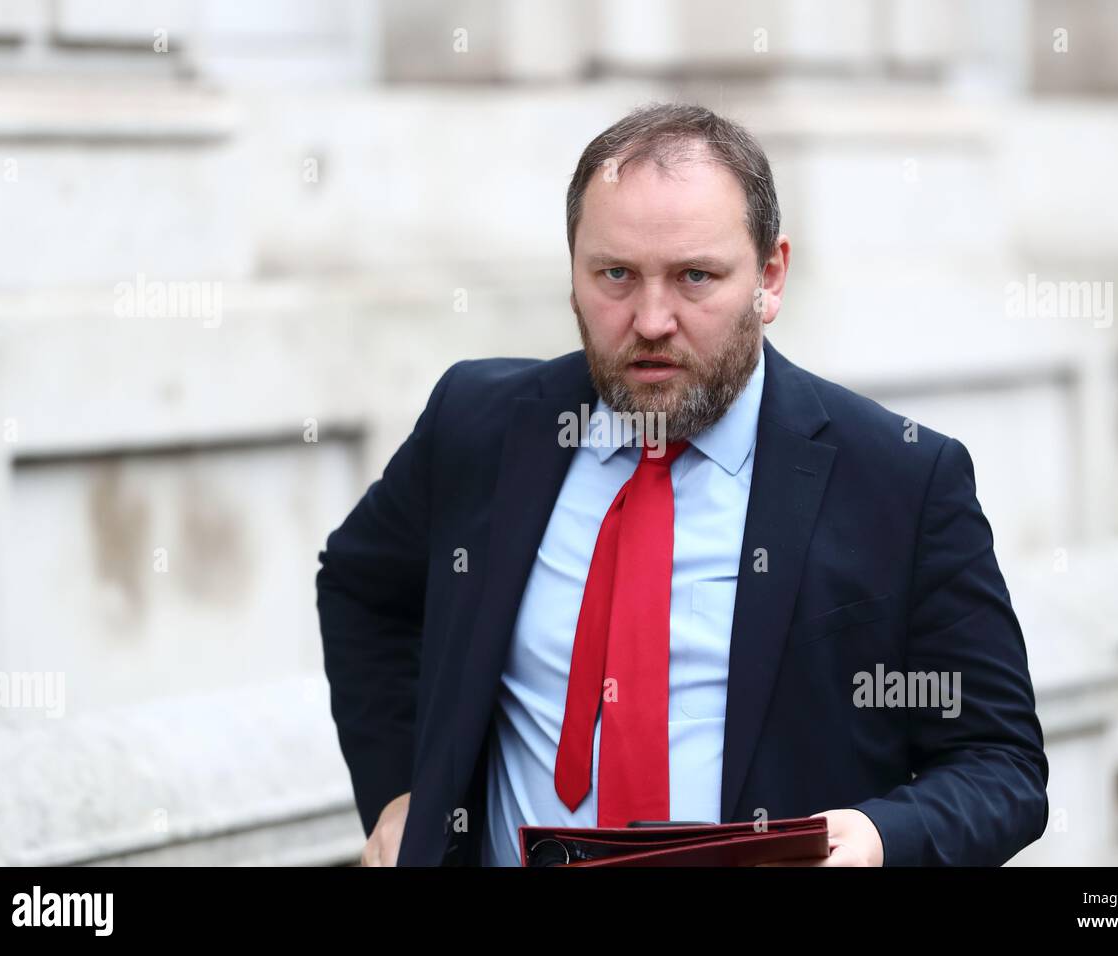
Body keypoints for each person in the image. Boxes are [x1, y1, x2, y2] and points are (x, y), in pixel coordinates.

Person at [316, 102, 1049, 867]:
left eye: (695, 276)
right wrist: (406, 795)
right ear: (572, 276)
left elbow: (1002, 766)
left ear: (770, 276)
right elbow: (362, 587)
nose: (653, 318)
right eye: (616, 276)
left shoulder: (901, 479)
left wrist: (876, 838)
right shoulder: (480, 426)